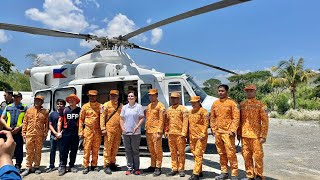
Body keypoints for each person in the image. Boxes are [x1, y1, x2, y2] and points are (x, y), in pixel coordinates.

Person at [238, 84, 269, 180]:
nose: (249, 92)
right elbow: (239, 120)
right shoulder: (242, 105)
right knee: (246, 156)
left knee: (258, 156)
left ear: (255, 92)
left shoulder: (261, 105)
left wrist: (263, 135)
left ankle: (259, 175)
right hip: (244, 135)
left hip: (256, 136)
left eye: (251, 90)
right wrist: (239, 133)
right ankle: (250, 175)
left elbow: (265, 121)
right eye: (247, 91)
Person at [210, 84, 240, 180]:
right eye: (219, 91)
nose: (220, 92)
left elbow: (236, 117)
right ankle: (224, 172)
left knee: (231, 153)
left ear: (227, 91)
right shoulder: (215, 103)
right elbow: (212, 117)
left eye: (222, 91)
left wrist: (232, 130)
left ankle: (234, 174)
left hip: (228, 133)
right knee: (221, 153)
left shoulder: (232, 103)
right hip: (218, 133)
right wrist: (214, 129)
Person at [21, 95, 49, 177]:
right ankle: (28, 167)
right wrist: (23, 133)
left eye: (39, 100)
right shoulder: (29, 110)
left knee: (38, 151)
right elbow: (25, 122)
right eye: (36, 100)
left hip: (39, 135)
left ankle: (37, 166)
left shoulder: (45, 112)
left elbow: (46, 124)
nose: (37, 101)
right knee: (29, 151)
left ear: (42, 102)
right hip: (29, 134)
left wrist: (45, 134)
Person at [0, 92, 27, 173]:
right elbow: (2, 118)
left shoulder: (24, 107)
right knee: (8, 148)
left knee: (19, 149)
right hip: (9, 132)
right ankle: (8, 164)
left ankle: (18, 165)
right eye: (15, 97)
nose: (16, 98)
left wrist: (19, 127)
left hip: (19, 131)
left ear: (21, 98)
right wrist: (7, 127)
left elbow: (27, 120)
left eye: (18, 97)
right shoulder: (8, 107)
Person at [120, 91, 144, 175]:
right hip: (126, 133)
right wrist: (123, 128)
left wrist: (137, 127)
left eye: (132, 96)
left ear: (135, 97)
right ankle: (129, 168)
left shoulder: (139, 107)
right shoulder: (124, 107)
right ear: (127, 98)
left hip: (135, 133)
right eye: (129, 96)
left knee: (135, 151)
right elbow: (121, 119)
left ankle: (137, 168)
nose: (130, 97)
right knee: (128, 151)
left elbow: (141, 118)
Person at [164, 92, 188, 177]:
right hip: (171, 135)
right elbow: (166, 122)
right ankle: (174, 168)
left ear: (179, 99)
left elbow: (185, 123)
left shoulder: (183, 109)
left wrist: (184, 133)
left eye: (175, 98)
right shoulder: (169, 109)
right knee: (173, 152)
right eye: (172, 98)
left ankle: (181, 169)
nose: (173, 99)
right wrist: (166, 131)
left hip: (180, 135)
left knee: (181, 152)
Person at [143, 88, 165, 176]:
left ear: (156, 95)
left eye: (153, 95)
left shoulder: (160, 106)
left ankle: (158, 167)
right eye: (150, 95)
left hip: (156, 131)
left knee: (158, 150)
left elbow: (161, 120)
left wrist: (160, 132)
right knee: (151, 149)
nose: (151, 97)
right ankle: (153, 165)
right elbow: (147, 117)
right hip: (149, 131)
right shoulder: (149, 106)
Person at [57, 95, 81, 176]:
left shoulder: (79, 110)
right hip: (66, 132)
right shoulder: (64, 110)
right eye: (69, 100)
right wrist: (58, 132)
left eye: (73, 100)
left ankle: (71, 165)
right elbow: (60, 121)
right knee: (64, 150)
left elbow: (82, 122)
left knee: (74, 150)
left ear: (76, 101)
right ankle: (63, 166)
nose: (71, 101)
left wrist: (81, 132)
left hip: (75, 133)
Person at [79, 90, 102, 174]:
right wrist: (80, 132)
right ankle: (85, 166)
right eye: (90, 96)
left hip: (97, 131)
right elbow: (81, 120)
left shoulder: (100, 106)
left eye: (93, 96)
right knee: (87, 148)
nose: (92, 97)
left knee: (96, 149)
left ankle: (94, 165)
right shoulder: (85, 107)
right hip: (88, 130)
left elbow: (103, 118)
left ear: (96, 97)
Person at [100, 90, 123, 174]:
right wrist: (103, 128)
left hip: (118, 130)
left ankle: (112, 163)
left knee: (115, 147)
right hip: (108, 130)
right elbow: (102, 117)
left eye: (115, 95)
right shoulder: (105, 105)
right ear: (109, 96)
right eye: (112, 95)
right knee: (108, 147)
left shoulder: (121, 105)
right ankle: (106, 165)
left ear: (118, 96)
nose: (113, 97)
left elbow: (123, 117)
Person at [188, 96, 209, 180]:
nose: (193, 104)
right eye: (192, 102)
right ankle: (199, 171)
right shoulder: (190, 112)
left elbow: (206, 124)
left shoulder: (204, 112)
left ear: (199, 102)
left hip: (201, 137)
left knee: (198, 154)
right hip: (192, 136)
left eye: (195, 102)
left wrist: (203, 134)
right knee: (194, 154)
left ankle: (195, 174)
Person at [46, 99, 66, 173]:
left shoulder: (65, 114)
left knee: (62, 151)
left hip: (62, 136)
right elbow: (50, 125)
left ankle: (61, 165)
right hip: (53, 136)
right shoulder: (52, 114)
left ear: (64, 105)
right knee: (52, 151)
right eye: (58, 104)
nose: (59, 105)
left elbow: (65, 125)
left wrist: (60, 133)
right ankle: (51, 166)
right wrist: (55, 133)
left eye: (61, 104)